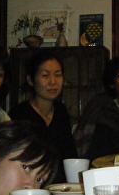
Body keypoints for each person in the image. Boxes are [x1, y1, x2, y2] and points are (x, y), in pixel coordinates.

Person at [9, 50, 76, 183]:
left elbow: (70, 155)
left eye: (58, 75)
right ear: (30, 80)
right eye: (45, 75)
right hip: (31, 184)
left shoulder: (61, 111)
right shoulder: (19, 114)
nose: (53, 81)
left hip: (61, 186)